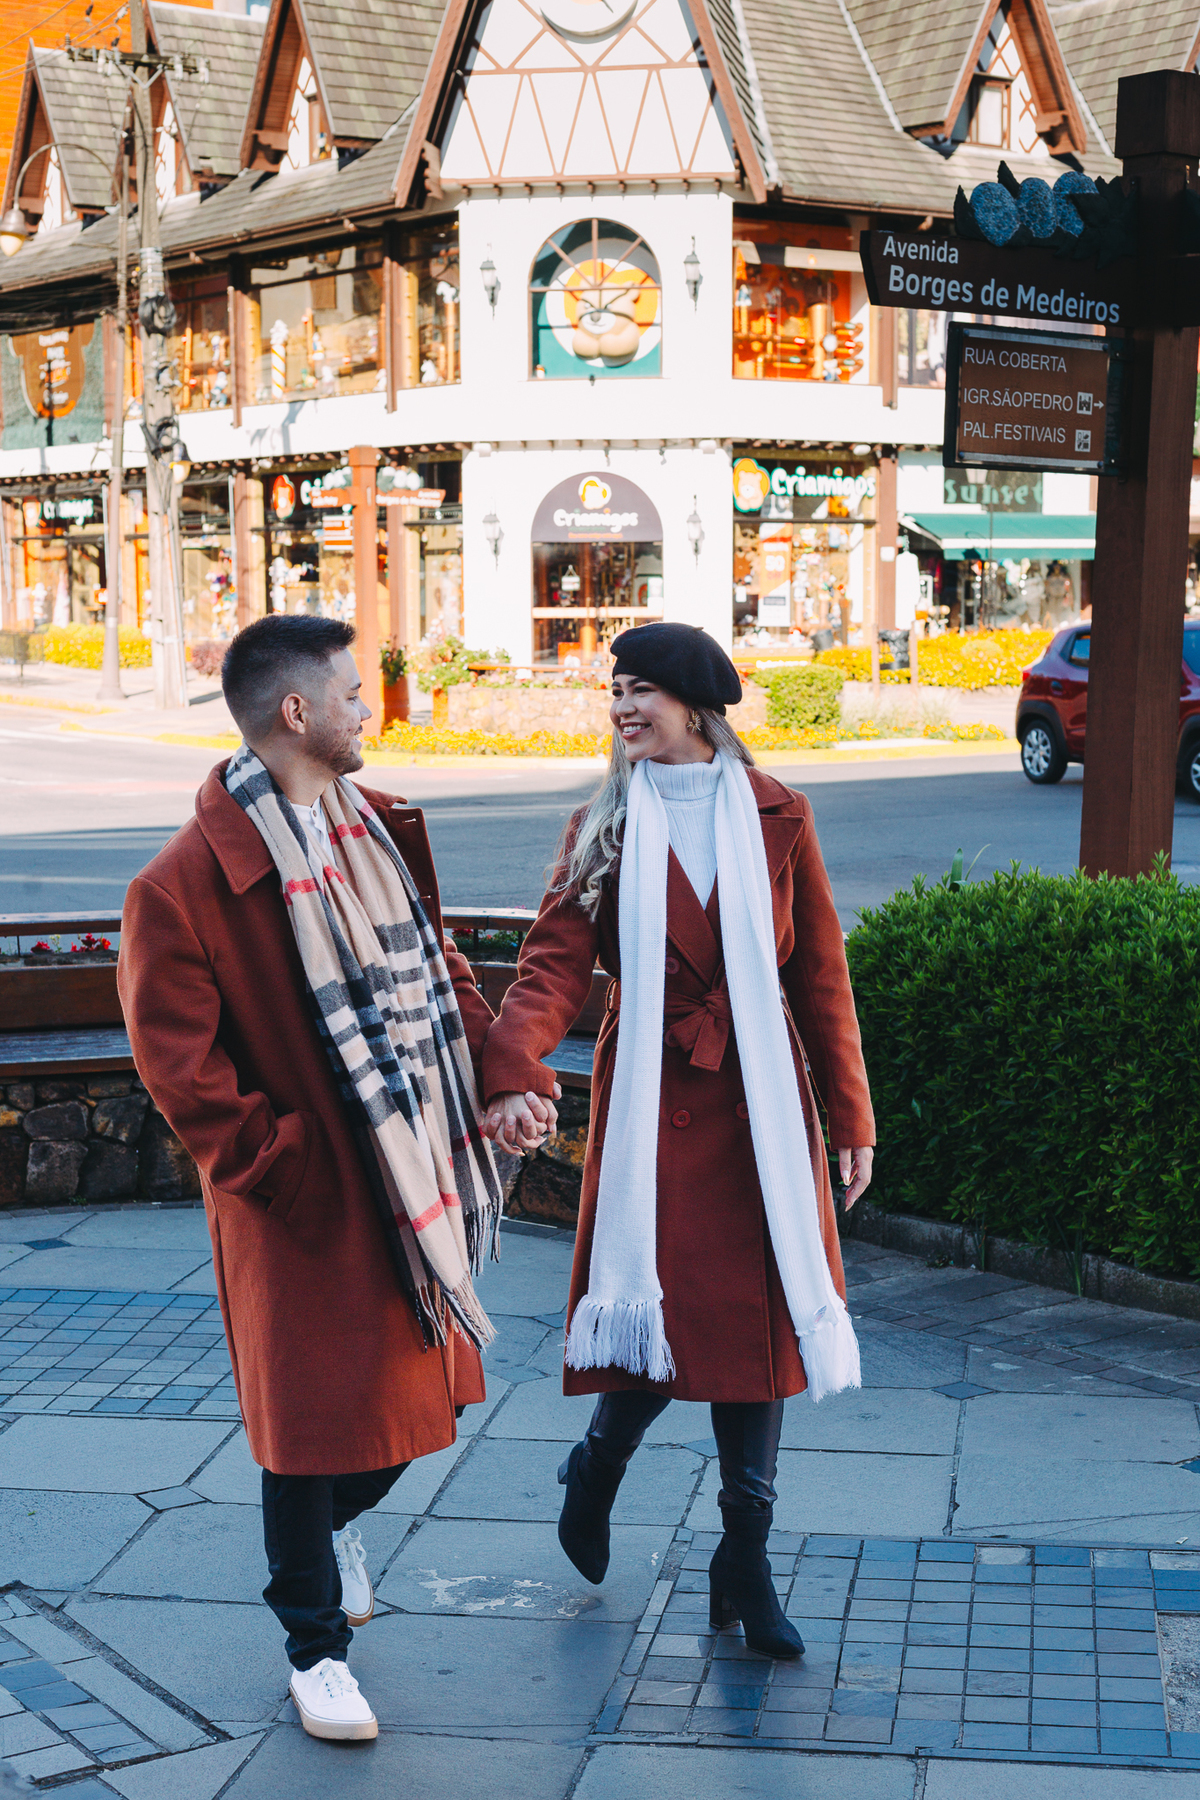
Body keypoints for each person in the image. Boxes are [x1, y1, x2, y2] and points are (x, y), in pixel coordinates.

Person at [117, 615, 552, 1741]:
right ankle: (315, 1650)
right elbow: (180, 1070)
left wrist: (497, 1080)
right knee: (306, 1433)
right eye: (353, 693)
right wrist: (284, 1164)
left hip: (410, 1174)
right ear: (297, 712)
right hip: (302, 1200)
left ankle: (333, 1535)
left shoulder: (376, 830)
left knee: (426, 1405)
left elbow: (443, 972)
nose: (369, 710)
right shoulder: (183, 883)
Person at [481, 622, 874, 1661]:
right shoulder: (603, 826)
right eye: (614, 690)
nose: (621, 707)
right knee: (660, 1309)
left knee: (757, 1328)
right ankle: (597, 1466)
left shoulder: (780, 815)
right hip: (656, 1099)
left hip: (761, 1106)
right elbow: (552, 968)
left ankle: (745, 1555)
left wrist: (851, 1116)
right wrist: (512, 1062)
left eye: (640, 690)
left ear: (696, 706)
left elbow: (819, 976)